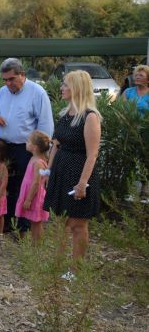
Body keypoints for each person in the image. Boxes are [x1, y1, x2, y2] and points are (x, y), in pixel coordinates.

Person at [0, 58, 53, 233]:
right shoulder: (2, 92)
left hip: (27, 150)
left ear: (22, 75)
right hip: (4, 147)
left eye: (11, 79)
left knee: (25, 186)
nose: (8, 83)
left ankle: (23, 226)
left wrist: (39, 154)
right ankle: (8, 223)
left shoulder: (37, 93)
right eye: (5, 79)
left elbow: (45, 125)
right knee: (6, 185)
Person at [43, 70, 102, 265]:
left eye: (66, 84)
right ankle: (57, 267)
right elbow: (56, 144)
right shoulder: (65, 114)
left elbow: (92, 154)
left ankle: (76, 271)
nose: (61, 88)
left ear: (77, 88)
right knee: (60, 222)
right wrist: (48, 171)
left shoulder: (90, 117)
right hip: (61, 171)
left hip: (78, 174)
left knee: (78, 224)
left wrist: (83, 184)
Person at [15, 130, 51, 245]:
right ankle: (35, 244)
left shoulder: (38, 163)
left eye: (28, 141)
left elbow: (36, 182)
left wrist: (29, 199)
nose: (26, 143)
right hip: (30, 193)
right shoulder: (33, 159)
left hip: (34, 195)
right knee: (33, 221)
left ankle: (37, 246)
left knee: (36, 222)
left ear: (34, 147)